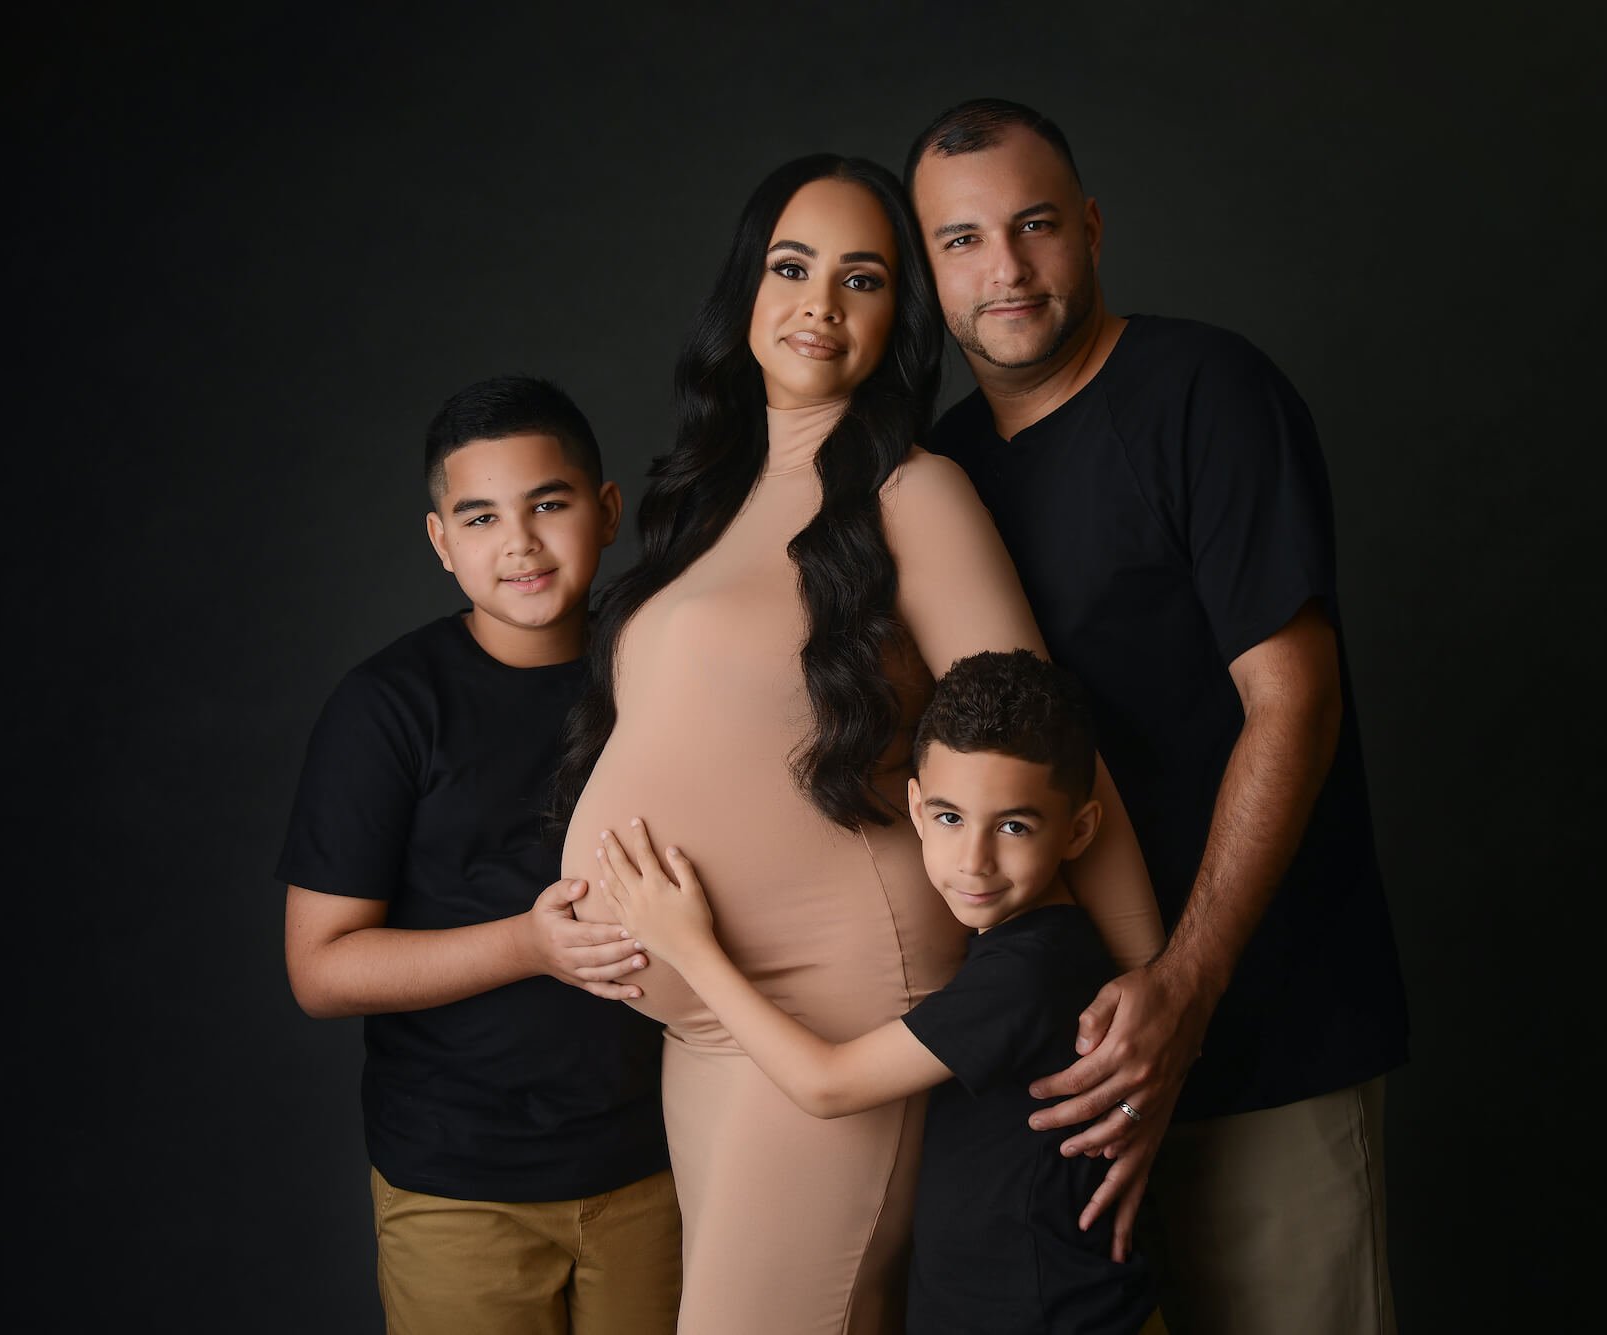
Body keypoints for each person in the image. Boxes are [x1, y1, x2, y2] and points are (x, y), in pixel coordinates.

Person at [548, 155, 1163, 1334]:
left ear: (899, 315)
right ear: (745, 291)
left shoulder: (910, 492)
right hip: (711, 1025)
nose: (818, 304)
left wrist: (1146, 1009)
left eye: (862, 277)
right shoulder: (705, 498)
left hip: (837, 1013)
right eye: (791, 267)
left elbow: (1047, 745)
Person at [904, 99, 1412, 1333]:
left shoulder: (1205, 392)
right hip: (1060, 1078)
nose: (1006, 267)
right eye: (962, 241)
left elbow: (1291, 699)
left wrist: (1183, 987)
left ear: (1088, 227)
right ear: (928, 272)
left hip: (1257, 1029)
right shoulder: (937, 472)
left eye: (1034, 225)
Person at [591, 649, 1164, 1335]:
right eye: (951, 817)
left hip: (1046, 1314)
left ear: (1078, 831)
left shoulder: (1032, 970)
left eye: (1014, 825)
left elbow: (827, 1085)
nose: (975, 860)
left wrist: (691, 947)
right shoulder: (1020, 945)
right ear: (916, 808)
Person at [277, 375, 680, 1335]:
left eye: (549, 503)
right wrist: (528, 946)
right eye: (482, 515)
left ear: (607, 509)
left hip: (658, 1162)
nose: (521, 542)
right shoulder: (387, 707)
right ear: (441, 542)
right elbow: (320, 967)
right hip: (462, 1185)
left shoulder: (664, 672)